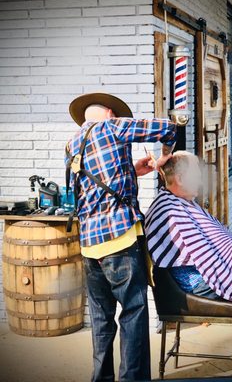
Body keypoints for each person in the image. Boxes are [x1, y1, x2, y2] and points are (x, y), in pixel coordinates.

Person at [65, 92, 176, 382]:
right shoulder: (113, 127)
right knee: (133, 313)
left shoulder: (72, 145)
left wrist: (132, 171)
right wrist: (165, 155)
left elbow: (94, 188)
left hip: (90, 245)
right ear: (111, 113)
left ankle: (101, 378)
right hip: (120, 240)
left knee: (101, 322)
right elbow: (166, 127)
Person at [145, 150, 232, 372]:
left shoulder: (178, 201)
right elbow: (207, 256)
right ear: (180, 178)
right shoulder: (170, 210)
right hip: (192, 283)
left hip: (199, 272)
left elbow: (215, 246)